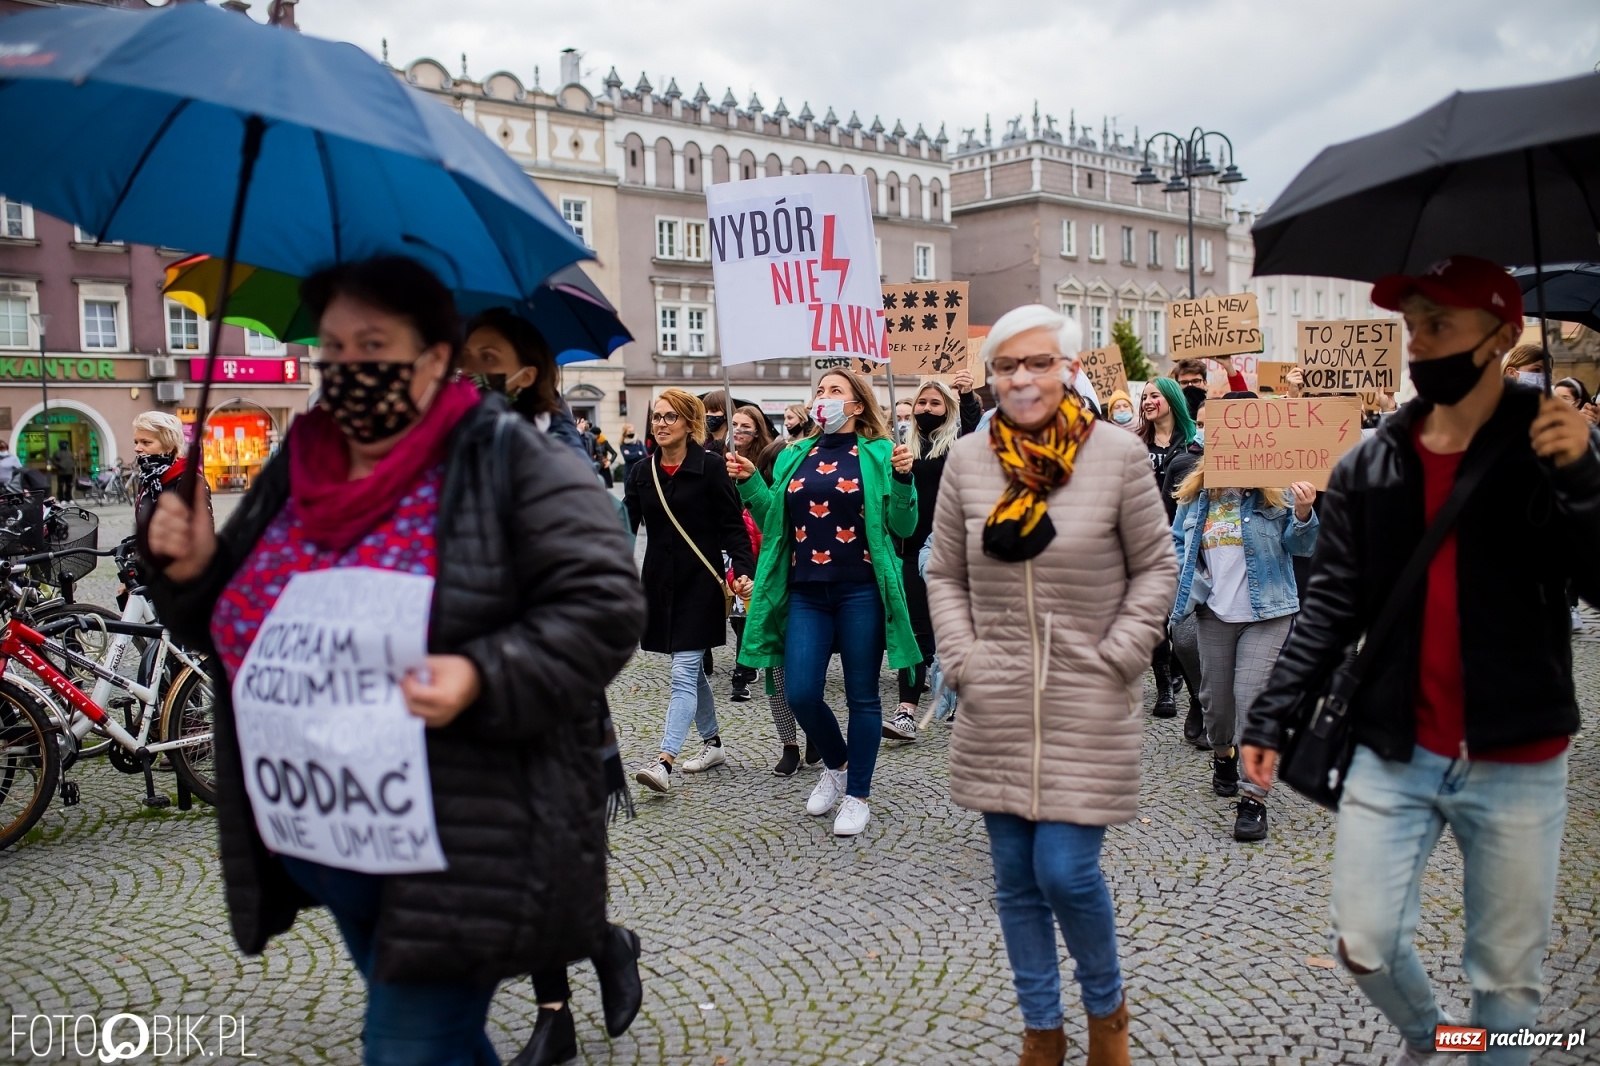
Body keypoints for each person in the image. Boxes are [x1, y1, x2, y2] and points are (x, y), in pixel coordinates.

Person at [144, 255, 643, 1066]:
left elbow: (605, 602)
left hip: (456, 832)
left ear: (436, 357)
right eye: (332, 351)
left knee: (409, 1045)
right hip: (324, 829)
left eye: (372, 345)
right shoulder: (300, 463)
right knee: (434, 1036)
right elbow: (230, 627)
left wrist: (483, 674)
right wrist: (194, 570)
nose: (348, 369)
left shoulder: (511, 459)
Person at [1241, 255, 1600, 1066]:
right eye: (1413, 326)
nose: (1420, 342)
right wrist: (1271, 714)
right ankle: (1437, 1037)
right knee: (1363, 940)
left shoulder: (1550, 446)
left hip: (1519, 752)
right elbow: (1332, 605)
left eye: (1440, 323)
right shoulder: (1373, 460)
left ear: (1503, 337)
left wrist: (1581, 481)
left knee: (1507, 983)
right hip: (1396, 744)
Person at [925, 304, 1177, 1066]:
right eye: (1007, 365)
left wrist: (1121, 655)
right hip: (994, 698)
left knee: (1064, 870)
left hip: (1087, 695)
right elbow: (943, 569)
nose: (1022, 377)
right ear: (992, 377)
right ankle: (1042, 1027)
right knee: (1013, 878)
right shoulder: (970, 461)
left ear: (1068, 370)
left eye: (1038, 363)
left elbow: (1158, 568)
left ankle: (1107, 1011)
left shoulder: (1117, 456)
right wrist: (963, 659)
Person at [460, 308, 644, 1066]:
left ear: (528, 373)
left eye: (489, 359)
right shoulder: (455, 446)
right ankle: (602, 946)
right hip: (468, 684)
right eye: (463, 357)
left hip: (545, 685)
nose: (473, 371)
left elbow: (600, 596)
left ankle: (556, 1012)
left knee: (545, 852)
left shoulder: (560, 453)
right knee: (507, 859)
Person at [725, 368, 917, 837]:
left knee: (862, 696)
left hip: (861, 590)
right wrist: (751, 482)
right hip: (806, 590)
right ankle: (838, 765)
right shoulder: (795, 453)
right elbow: (775, 522)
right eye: (820, 390)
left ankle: (858, 794)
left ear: (856, 405)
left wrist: (905, 480)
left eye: (834, 391)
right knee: (802, 692)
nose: (823, 398)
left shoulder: (879, 453)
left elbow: (904, 526)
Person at [1168, 439, 1319, 841]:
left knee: (1252, 699)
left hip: (1268, 612)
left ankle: (1254, 799)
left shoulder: (1277, 491)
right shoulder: (1196, 494)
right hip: (1213, 613)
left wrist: (1304, 512)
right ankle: (1223, 755)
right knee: (1217, 703)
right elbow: (1177, 543)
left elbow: (1303, 547)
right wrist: (1187, 576)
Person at [624, 388, 755, 794]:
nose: (660, 424)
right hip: (660, 585)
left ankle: (663, 760)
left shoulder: (711, 468)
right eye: (657, 417)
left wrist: (743, 571)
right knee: (691, 671)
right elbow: (624, 531)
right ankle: (713, 744)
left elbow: (733, 527)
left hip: (702, 582)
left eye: (669, 417)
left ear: (689, 423)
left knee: (682, 672)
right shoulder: (641, 473)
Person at [885, 370, 982, 741]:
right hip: (909, 548)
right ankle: (906, 710)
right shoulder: (900, 446)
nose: (926, 408)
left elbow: (973, 426)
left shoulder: (959, 441)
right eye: (921, 402)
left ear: (948, 408)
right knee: (914, 629)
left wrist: (969, 396)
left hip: (953, 547)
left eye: (934, 402)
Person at [1135, 376, 1199, 719]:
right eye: (1143, 396)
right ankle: (1164, 689)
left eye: (1154, 395)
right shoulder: (1135, 441)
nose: (1147, 401)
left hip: (1183, 540)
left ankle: (1193, 691)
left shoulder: (1193, 443)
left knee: (1183, 622)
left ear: (1170, 399)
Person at [726, 406, 774, 704]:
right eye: (735, 425)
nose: (739, 431)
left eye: (746, 426)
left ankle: (744, 669)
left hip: (759, 538)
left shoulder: (767, 459)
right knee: (737, 610)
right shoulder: (721, 459)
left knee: (750, 607)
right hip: (731, 538)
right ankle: (747, 660)